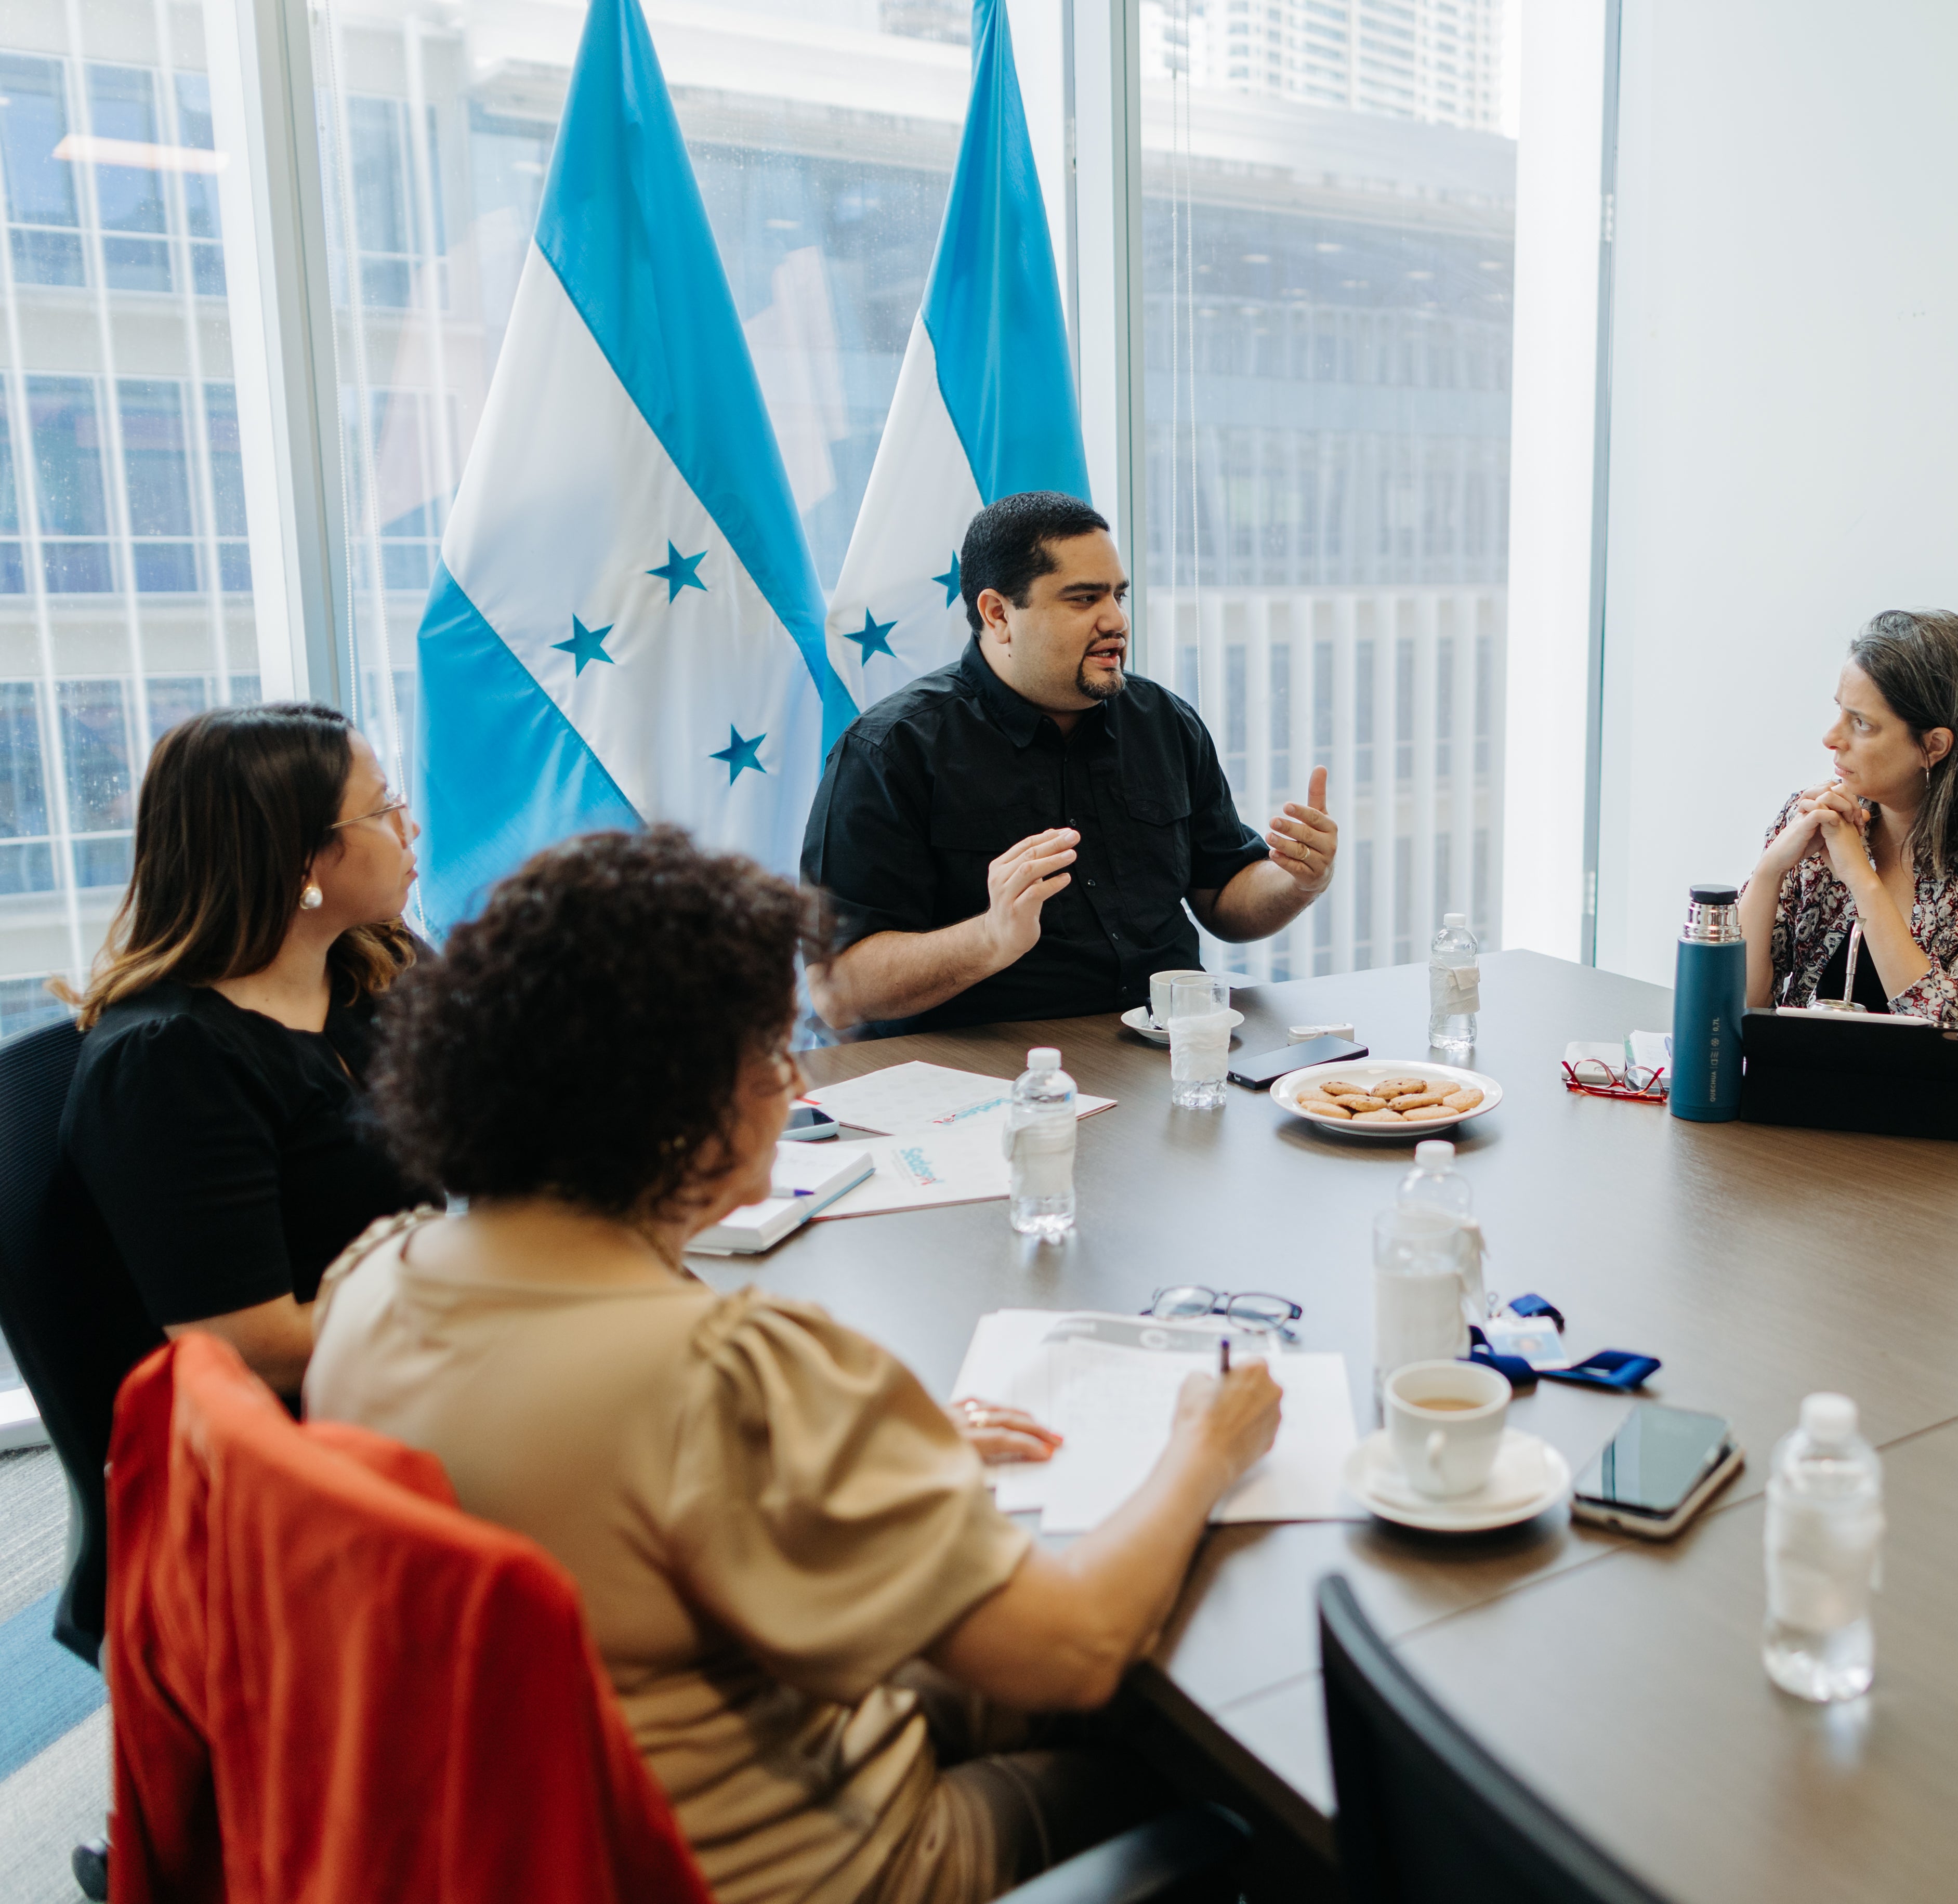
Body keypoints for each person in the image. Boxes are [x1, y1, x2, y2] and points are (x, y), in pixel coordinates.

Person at [304, 826, 1284, 1904]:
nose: (792, 1083)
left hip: (531, 1836)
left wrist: (830, 1459)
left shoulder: (368, 1279)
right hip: (820, 1864)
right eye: (773, 1055)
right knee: (1222, 1783)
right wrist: (1204, 1447)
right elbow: (1077, 1647)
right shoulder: (725, 1371)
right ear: (680, 1109)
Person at [801, 490, 1335, 1035]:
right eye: (1083, 600)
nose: (1115, 621)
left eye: (1118, 596)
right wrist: (989, 938)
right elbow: (838, 989)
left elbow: (1223, 896)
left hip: (1171, 1054)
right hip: (991, 1081)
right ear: (998, 613)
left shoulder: (1164, 721)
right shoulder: (890, 749)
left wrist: (1295, 881)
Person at [59, 702, 427, 1398]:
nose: (410, 828)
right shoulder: (169, 1065)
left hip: (405, 1373)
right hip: (290, 1449)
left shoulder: (370, 966)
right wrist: (484, 1288)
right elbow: (259, 1356)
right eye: (381, 811)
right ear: (297, 859)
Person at [1741, 609, 1958, 1076]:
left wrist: (1861, 878)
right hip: (1809, 1095)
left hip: (1945, 1115)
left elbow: (1954, 1038)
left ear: (1934, 746)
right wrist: (1769, 872)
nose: (1831, 738)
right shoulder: (1816, 818)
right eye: (1839, 712)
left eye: (1862, 724)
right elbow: (1738, 1004)